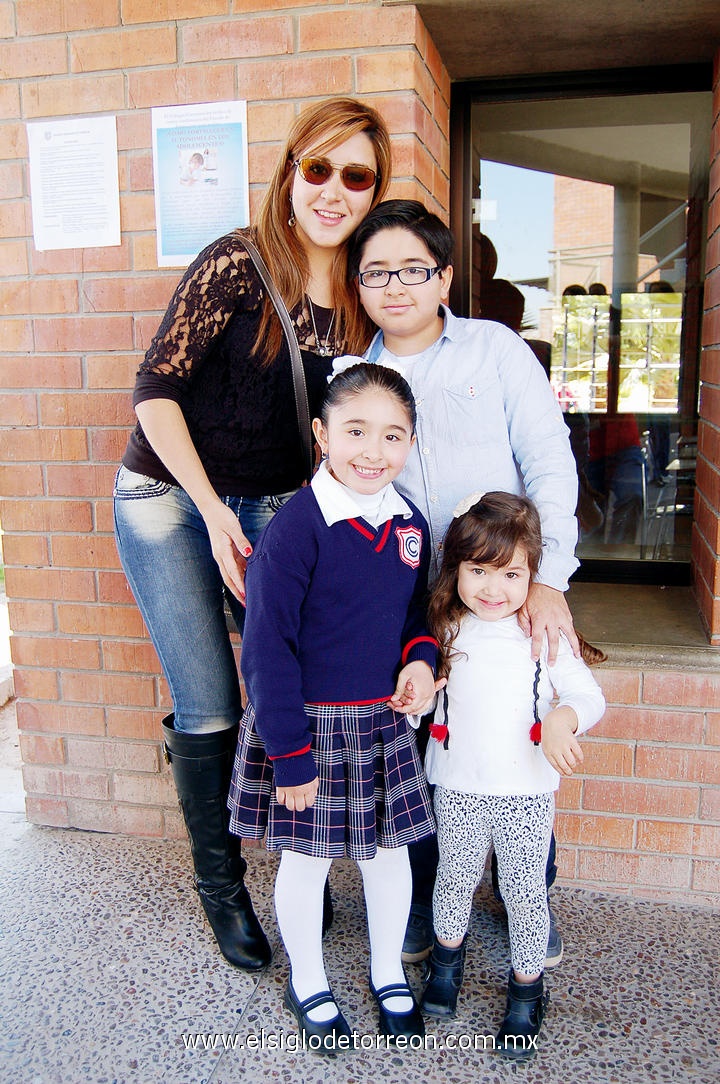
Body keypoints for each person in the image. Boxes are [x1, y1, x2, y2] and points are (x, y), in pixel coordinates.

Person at [113, 98, 392, 973]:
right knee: (210, 703)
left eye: (357, 175)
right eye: (319, 168)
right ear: (290, 171)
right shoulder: (236, 261)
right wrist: (212, 507)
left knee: (295, 690)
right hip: (168, 501)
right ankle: (222, 890)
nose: (334, 190)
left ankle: (298, 878)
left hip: (273, 513)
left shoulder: (359, 294)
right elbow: (155, 390)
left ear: (373, 189)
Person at [343, 198, 581, 966]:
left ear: (444, 277)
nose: (395, 285)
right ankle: (421, 905)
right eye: (376, 272)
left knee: (515, 738)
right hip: (406, 597)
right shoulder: (353, 375)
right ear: (358, 284)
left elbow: (548, 459)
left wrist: (550, 577)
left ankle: (526, 899)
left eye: (413, 268)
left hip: (499, 590)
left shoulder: (496, 350)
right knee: (409, 749)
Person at [227, 363, 439, 1051]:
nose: (373, 451)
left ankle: (386, 972)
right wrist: (289, 757)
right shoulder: (296, 531)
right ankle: (309, 982)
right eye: (355, 431)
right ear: (322, 434)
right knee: (306, 860)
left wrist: (420, 659)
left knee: (388, 858)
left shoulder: (411, 525)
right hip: (309, 729)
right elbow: (265, 651)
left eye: (392, 435)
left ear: (409, 443)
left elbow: (417, 613)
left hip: (380, 723)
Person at [419, 491, 605, 1059]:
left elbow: (587, 696)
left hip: (524, 793)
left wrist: (562, 720)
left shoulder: (540, 635)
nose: (493, 589)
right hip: (458, 784)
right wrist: (417, 691)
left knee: (523, 892)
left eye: (510, 573)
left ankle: (527, 988)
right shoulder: (445, 629)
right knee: (453, 877)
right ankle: (446, 965)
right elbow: (424, 694)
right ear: (457, 570)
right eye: (478, 571)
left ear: (532, 576)